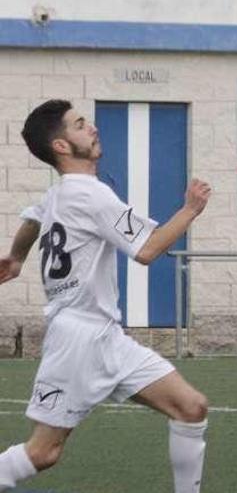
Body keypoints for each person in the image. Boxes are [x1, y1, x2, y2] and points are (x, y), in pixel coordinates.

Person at [0, 99, 212, 493]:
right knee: (44, 453)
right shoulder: (91, 195)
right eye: (80, 125)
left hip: (107, 337)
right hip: (76, 340)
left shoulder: (59, 193)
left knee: (190, 407)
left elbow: (32, 217)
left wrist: (15, 258)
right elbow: (147, 250)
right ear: (61, 146)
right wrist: (189, 210)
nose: (92, 128)